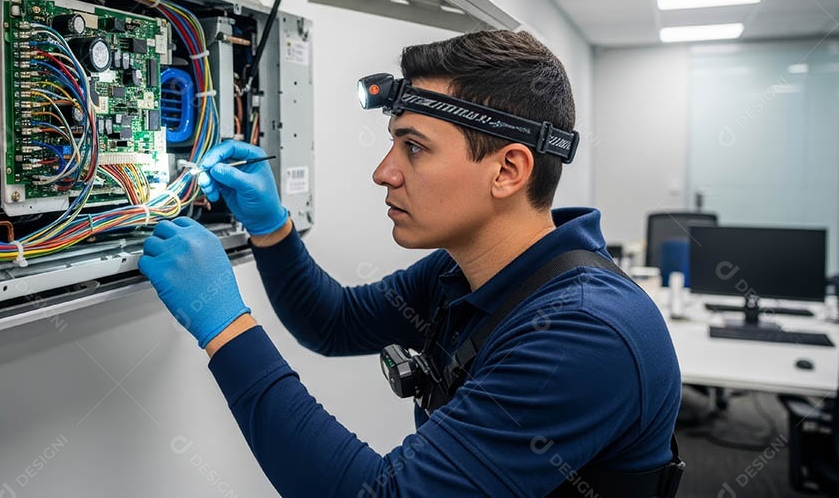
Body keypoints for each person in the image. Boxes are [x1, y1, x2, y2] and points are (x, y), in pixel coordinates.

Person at [138, 31, 682, 497]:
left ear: (508, 171)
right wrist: (272, 227)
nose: (384, 172)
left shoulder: (584, 332)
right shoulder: (469, 270)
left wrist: (225, 327)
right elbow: (333, 322)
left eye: (414, 148)